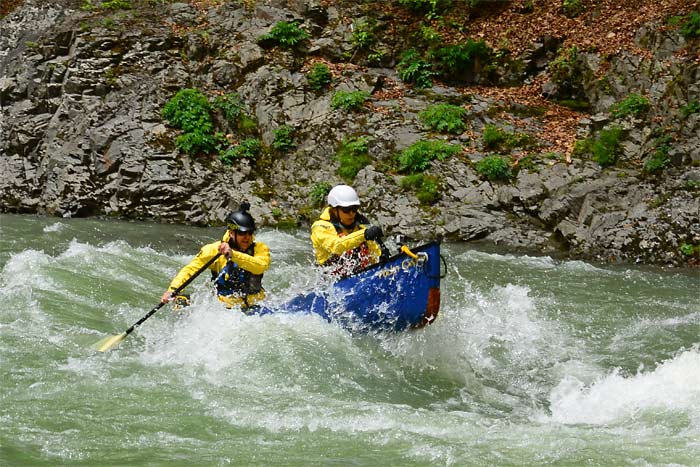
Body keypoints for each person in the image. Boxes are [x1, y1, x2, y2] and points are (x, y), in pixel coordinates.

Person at [161, 202, 270, 310]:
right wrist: (173, 289)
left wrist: (233, 254)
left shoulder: (259, 248)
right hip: (226, 307)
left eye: (249, 233)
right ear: (231, 233)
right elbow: (190, 269)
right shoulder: (214, 250)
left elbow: (261, 266)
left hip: (256, 303)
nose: (247, 237)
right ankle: (186, 300)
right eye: (242, 233)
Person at [310, 184, 387, 278]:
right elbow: (336, 246)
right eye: (346, 210)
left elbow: (373, 254)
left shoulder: (360, 226)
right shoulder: (320, 227)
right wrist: (364, 234)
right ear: (334, 209)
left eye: (354, 209)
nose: (352, 214)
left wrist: (383, 259)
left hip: (359, 277)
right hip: (331, 282)